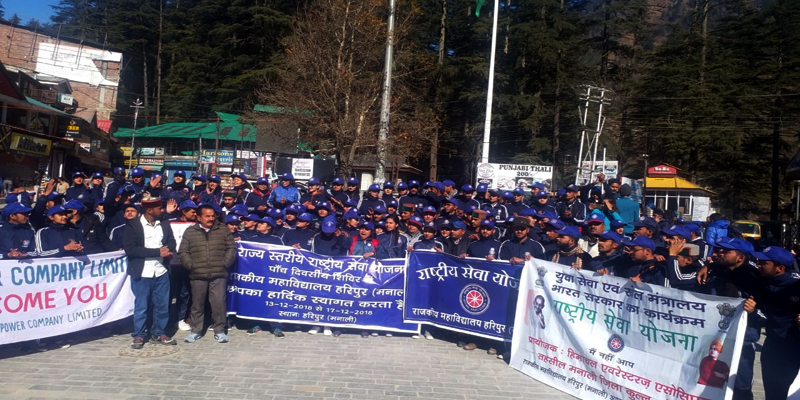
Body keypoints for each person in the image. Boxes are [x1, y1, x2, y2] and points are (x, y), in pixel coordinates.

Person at [123, 196, 178, 349]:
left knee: (162, 305)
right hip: (142, 272)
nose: (162, 210)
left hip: (161, 271)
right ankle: (139, 335)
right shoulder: (133, 225)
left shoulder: (164, 223)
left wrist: (168, 249)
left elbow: (172, 241)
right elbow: (131, 249)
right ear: (150, 210)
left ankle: (159, 333)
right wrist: (157, 252)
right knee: (141, 306)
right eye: (159, 208)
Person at [746, 246, 800, 400]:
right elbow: (767, 319)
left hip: (794, 349)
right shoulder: (762, 283)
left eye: (764, 262)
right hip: (772, 346)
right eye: (759, 261)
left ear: (780, 268)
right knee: (772, 393)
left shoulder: (796, 286)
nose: (759, 265)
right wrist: (753, 312)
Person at [180, 203, 237, 344]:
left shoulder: (222, 229)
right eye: (207, 216)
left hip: (218, 273)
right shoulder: (190, 231)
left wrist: (225, 263)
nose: (211, 219)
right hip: (197, 274)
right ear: (199, 217)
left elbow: (231, 248)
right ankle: (195, 331)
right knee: (197, 304)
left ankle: (219, 330)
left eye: (213, 216)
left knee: (218, 303)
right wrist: (191, 265)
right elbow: (183, 251)